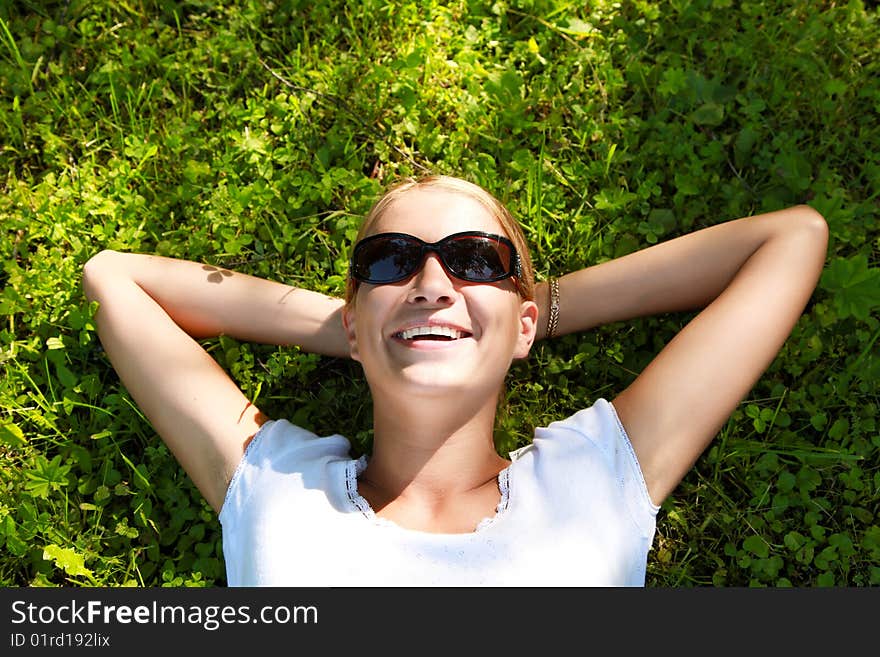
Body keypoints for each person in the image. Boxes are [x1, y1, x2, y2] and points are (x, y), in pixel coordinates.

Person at [81, 175, 829, 586]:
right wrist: (377, 327)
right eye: (391, 259)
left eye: (475, 260)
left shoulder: (597, 477)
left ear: (527, 323)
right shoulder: (276, 485)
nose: (433, 279)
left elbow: (791, 238)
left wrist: (512, 316)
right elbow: (115, 280)